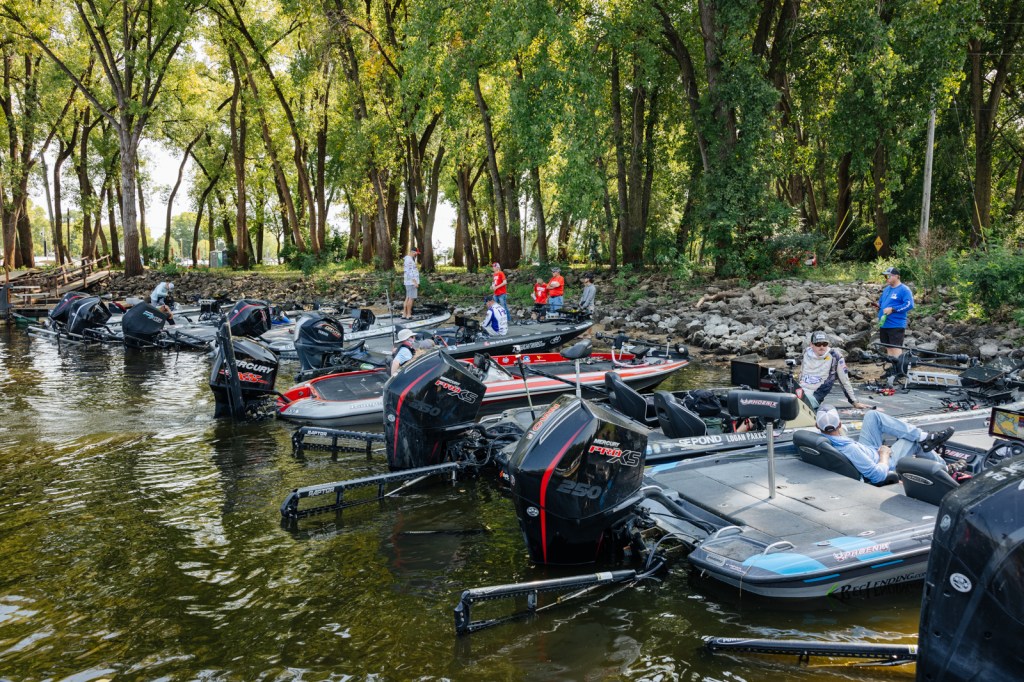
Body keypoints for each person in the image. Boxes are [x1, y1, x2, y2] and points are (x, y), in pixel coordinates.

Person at [815, 404, 953, 484]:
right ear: (839, 424)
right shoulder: (849, 449)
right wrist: (884, 455)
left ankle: (924, 436)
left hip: (868, 449)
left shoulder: (822, 439)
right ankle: (944, 470)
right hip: (883, 460)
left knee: (872, 415)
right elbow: (877, 476)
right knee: (913, 441)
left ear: (817, 426)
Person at [799, 331, 870, 409]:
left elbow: (844, 381)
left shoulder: (835, 356)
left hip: (815, 395)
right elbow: (801, 373)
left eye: (825, 344)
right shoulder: (806, 353)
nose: (822, 347)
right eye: (818, 344)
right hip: (800, 390)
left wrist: (854, 402)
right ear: (811, 344)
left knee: (797, 403)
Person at [877, 266, 914, 358]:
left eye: (888, 276)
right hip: (884, 323)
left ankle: (898, 366)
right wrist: (878, 306)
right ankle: (892, 365)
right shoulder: (887, 289)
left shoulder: (904, 289)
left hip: (896, 324)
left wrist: (893, 309)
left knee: (896, 347)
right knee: (888, 347)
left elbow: (909, 304)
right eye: (885, 276)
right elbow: (881, 302)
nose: (886, 278)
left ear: (897, 276)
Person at [402, 248, 421, 319]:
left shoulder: (408, 259)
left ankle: (404, 314)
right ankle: (409, 315)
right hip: (411, 282)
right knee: (411, 298)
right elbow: (409, 272)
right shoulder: (409, 260)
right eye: (416, 253)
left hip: (408, 282)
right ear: (413, 252)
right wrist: (415, 282)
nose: (416, 255)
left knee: (407, 297)